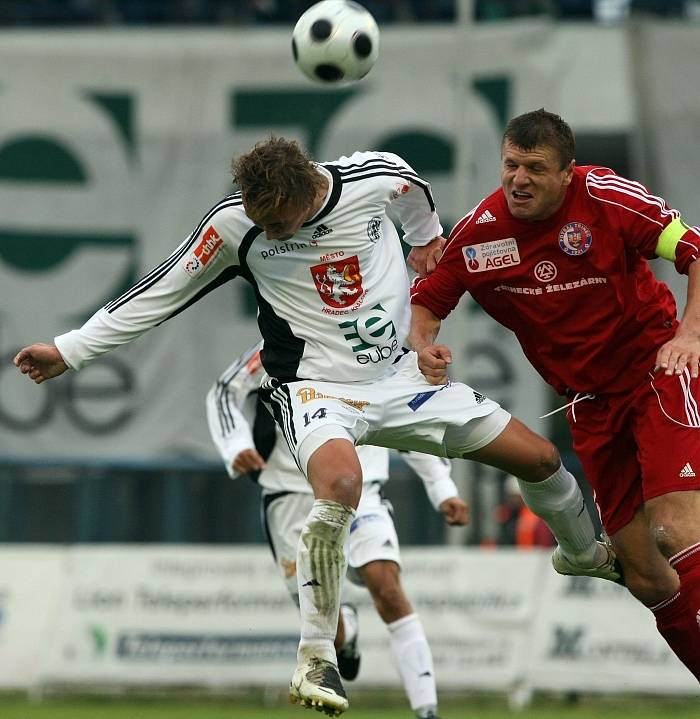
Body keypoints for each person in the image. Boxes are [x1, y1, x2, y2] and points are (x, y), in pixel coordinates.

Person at [14, 136, 620, 715]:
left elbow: (414, 192)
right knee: (340, 486)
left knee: (541, 459)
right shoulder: (235, 226)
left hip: (402, 382)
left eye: (279, 224)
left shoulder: (375, 177)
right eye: (262, 224)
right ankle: (315, 655)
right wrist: (69, 351)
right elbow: (155, 294)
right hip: (314, 390)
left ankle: (582, 553)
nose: (269, 233)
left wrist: (426, 239)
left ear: (307, 193)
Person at [410, 108, 700, 682]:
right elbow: (427, 301)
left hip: (656, 372)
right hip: (588, 404)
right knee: (644, 573)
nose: (518, 179)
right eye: (511, 165)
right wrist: (423, 345)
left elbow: (696, 249)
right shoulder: (481, 233)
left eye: (535, 169)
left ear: (568, 173)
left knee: (674, 529)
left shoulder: (608, 199)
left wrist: (691, 334)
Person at [207, 341, 467, 719]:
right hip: (289, 494)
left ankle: (427, 712)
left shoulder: (380, 345)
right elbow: (224, 391)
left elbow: (410, 413)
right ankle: (346, 631)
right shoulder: (276, 342)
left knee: (388, 588)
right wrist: (235, 445)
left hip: (360, 490)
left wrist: (442, 488)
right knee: (327, 624)